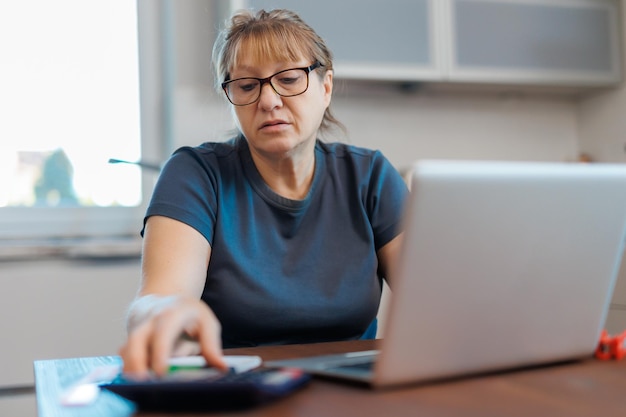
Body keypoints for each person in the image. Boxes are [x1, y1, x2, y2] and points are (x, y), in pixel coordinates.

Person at [119, 8, 409, 376]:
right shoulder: (196, 174)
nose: (269, 101)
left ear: (326, 87)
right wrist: (162, 312)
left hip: (353, 388)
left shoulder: (371, 177)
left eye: (288, 79)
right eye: (247, 86)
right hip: (235, 387)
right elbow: (159, 298)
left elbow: (433, 305)